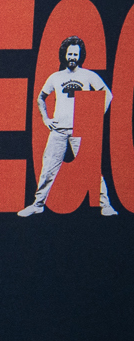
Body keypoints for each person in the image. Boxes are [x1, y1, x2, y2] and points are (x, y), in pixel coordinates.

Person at [18, 35, 116, 217]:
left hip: (81, 131)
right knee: (47, 168)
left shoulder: (88, 75)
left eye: (76, 54)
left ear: (81, 55)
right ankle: (37, 204)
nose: (72, 57)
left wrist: (93, 117)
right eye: (70, 54)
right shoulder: (56, 77)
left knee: (91, 168)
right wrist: (46, 119)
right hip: (59, 130)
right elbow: (41, 97)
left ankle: (106, 205)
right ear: (64, 55)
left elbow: (107, 94)